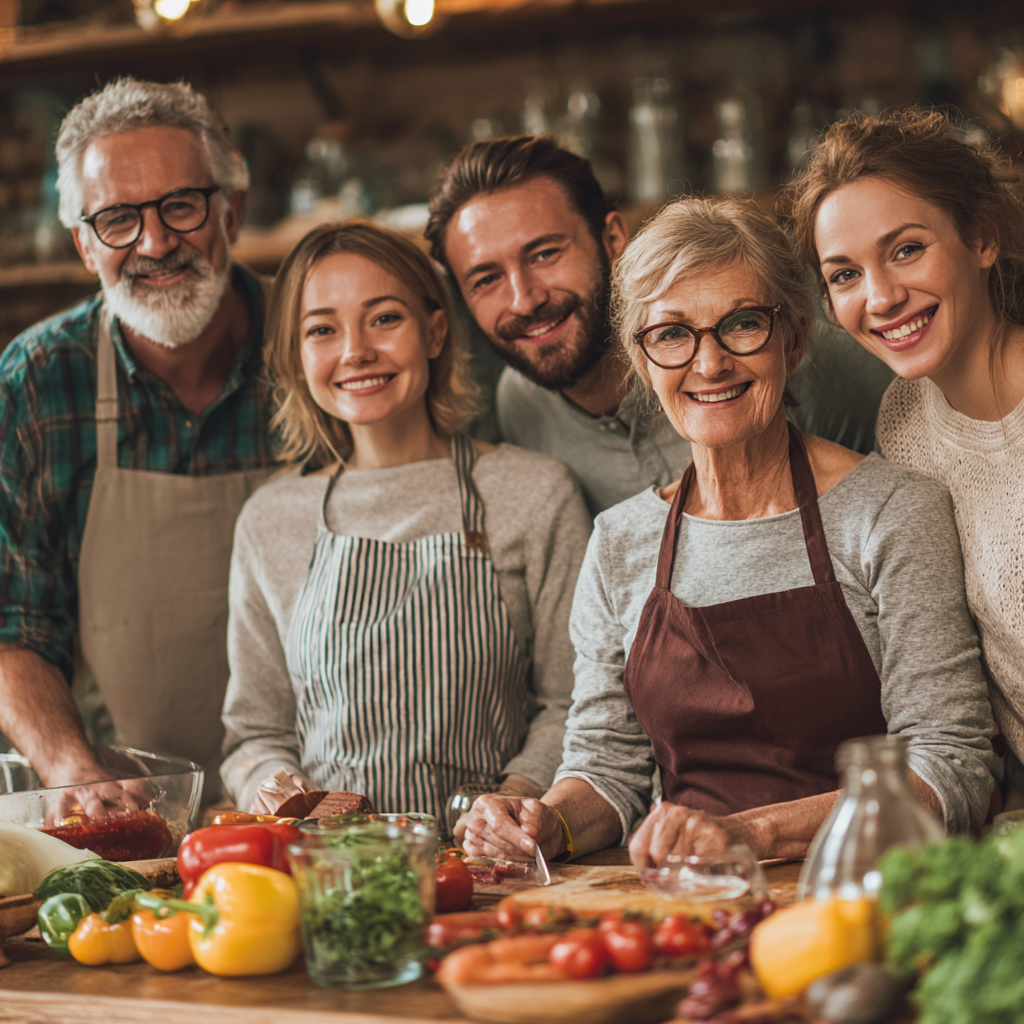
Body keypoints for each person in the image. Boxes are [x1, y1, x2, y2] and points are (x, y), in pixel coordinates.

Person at [456, 196, 994, 868]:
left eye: (742, 325)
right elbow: (607, 768)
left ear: (793, 340)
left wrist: (748, 836)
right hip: (683, 904)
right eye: (672, 334)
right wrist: (547, 823)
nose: (709, 365)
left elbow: (952, 764)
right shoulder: (619, 541)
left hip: (865, 895)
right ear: (643, 360)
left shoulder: (890, 510)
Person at [219, 222, 591, 820]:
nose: (355, 351)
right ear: (296, 355)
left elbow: (571, 704)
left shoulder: (533, 491)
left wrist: (515, 800)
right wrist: (275, 786)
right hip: (332, 868)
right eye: (321, 330)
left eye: (384, 318)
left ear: (435, 331)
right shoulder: (271, 519)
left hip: (493, 862)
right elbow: (253, 733)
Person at [0, 78, 276, 807]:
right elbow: (11, 627)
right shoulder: (35, 383)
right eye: (117, 219)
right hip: (124, 803)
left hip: (322, 796)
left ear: (232, 211)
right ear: (83, 246)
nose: (155, 244)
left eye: (180, 206)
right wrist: (70, 770)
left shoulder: (322, 346)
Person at [425, 135, 890, 518]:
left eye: (545, 254)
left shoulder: (782, 353)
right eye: (486, 279)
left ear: (611, 240)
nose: (524, 299)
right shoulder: (520, 405)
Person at [790, 107, 1024, 795]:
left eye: (906, 249)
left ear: (982, 238)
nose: (882, 298)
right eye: (844, 275)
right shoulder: (906, 423)